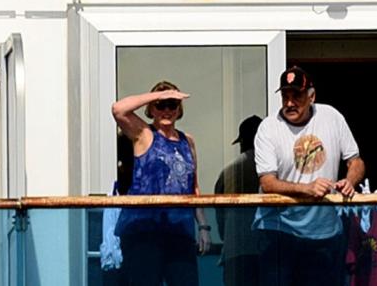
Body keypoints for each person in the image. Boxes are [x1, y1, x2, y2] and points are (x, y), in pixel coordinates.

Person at [253, 66, 364, 286]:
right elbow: (267, 182)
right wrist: (307, 189)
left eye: (297, 95)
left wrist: (349, 181)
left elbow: (356, 161)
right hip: (279, 230)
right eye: (285, 96)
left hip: (324, 233)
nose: (290, 103)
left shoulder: (331, 117)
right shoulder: (268, 128)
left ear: (311, 96)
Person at [111, 80, 211, 285]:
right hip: (144, 231)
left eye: (172, 105)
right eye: (161, 105)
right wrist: (156, 95)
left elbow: (194, 186)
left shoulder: (187, 141)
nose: (166, 110)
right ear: (152, 109)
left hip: (179, 230)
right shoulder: (144, 134)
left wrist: (203, 226)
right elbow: (118, 109)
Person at [213, 115, 263, 286]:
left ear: (242, 141)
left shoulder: (229, 172)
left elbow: (219, 217)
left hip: (236, 250)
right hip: (268, 248)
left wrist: (228, 236)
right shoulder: (275, 171)